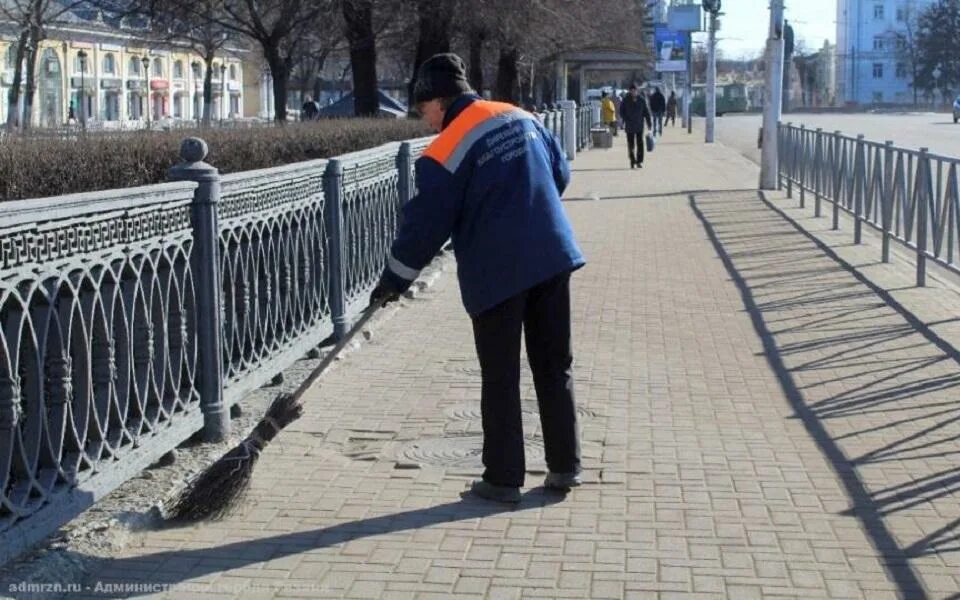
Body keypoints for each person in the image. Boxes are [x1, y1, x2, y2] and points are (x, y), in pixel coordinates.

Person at [369, 53, 586, 504]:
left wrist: (395, 278)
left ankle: (504, 479)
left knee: (501, 374)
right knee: (554, 364)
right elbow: (559, 172)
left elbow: (427, 224)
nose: (425, 121)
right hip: (551, 254)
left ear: (440, 100)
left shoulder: (445, 149)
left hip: (498, 270)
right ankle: (565, 467)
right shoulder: (520, 116)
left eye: (424, 110)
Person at [618, 83, 652, 169]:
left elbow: (646, 112)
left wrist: (649, 124)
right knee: (631, 144)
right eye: (632, 91)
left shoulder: (641, 100)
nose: (633, 92)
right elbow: (621, 111)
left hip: (639, 125)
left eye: (634, 90)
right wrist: (625, 119)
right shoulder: (625, 100)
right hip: (629, 126)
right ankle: (632, 160)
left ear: (637, 91)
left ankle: (639, 161)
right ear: (630, 91)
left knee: (640, 144)